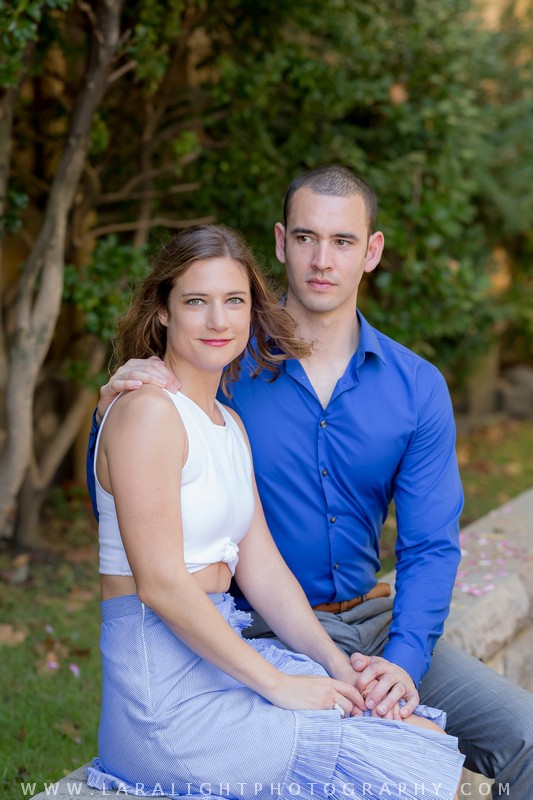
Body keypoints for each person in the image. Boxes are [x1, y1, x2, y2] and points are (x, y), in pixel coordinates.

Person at [88, 167, 533, 797]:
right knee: (398, 759)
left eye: (342, 241)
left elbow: (431, 546)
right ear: (281, 243)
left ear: (371, 251)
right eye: (306, 238)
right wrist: (107, 413)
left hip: (375, 625)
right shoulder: (222, 365)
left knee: (525, 736)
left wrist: (401, 663)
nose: (323, 260)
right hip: (260, 630)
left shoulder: (414, 387)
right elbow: (134, 508)